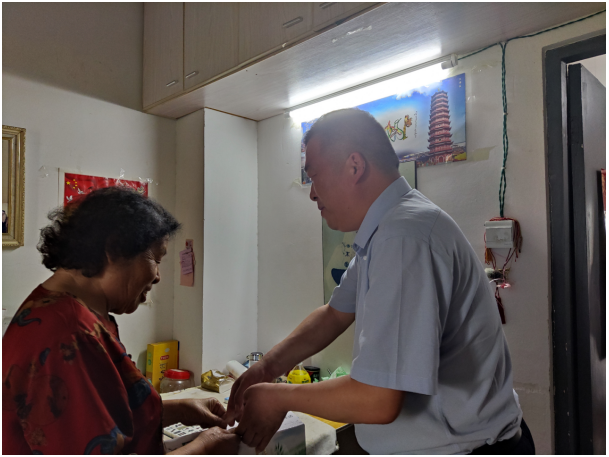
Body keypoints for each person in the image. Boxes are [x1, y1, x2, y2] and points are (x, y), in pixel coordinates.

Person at [228, 108, 535, 454]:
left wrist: (278, 398)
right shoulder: (389, 228)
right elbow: (334, 314)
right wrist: (267, 367)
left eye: (314, 176)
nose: (312, 194)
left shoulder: (403, 237)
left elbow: (378, 399)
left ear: (354, 166)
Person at [2, 187, 240, 455]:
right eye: (155, 259)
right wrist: (206, 446)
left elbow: (107, 412)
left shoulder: (67, 309)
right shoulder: (70, 334)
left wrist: (180, 409)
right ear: (114, 250)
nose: (158, 276)